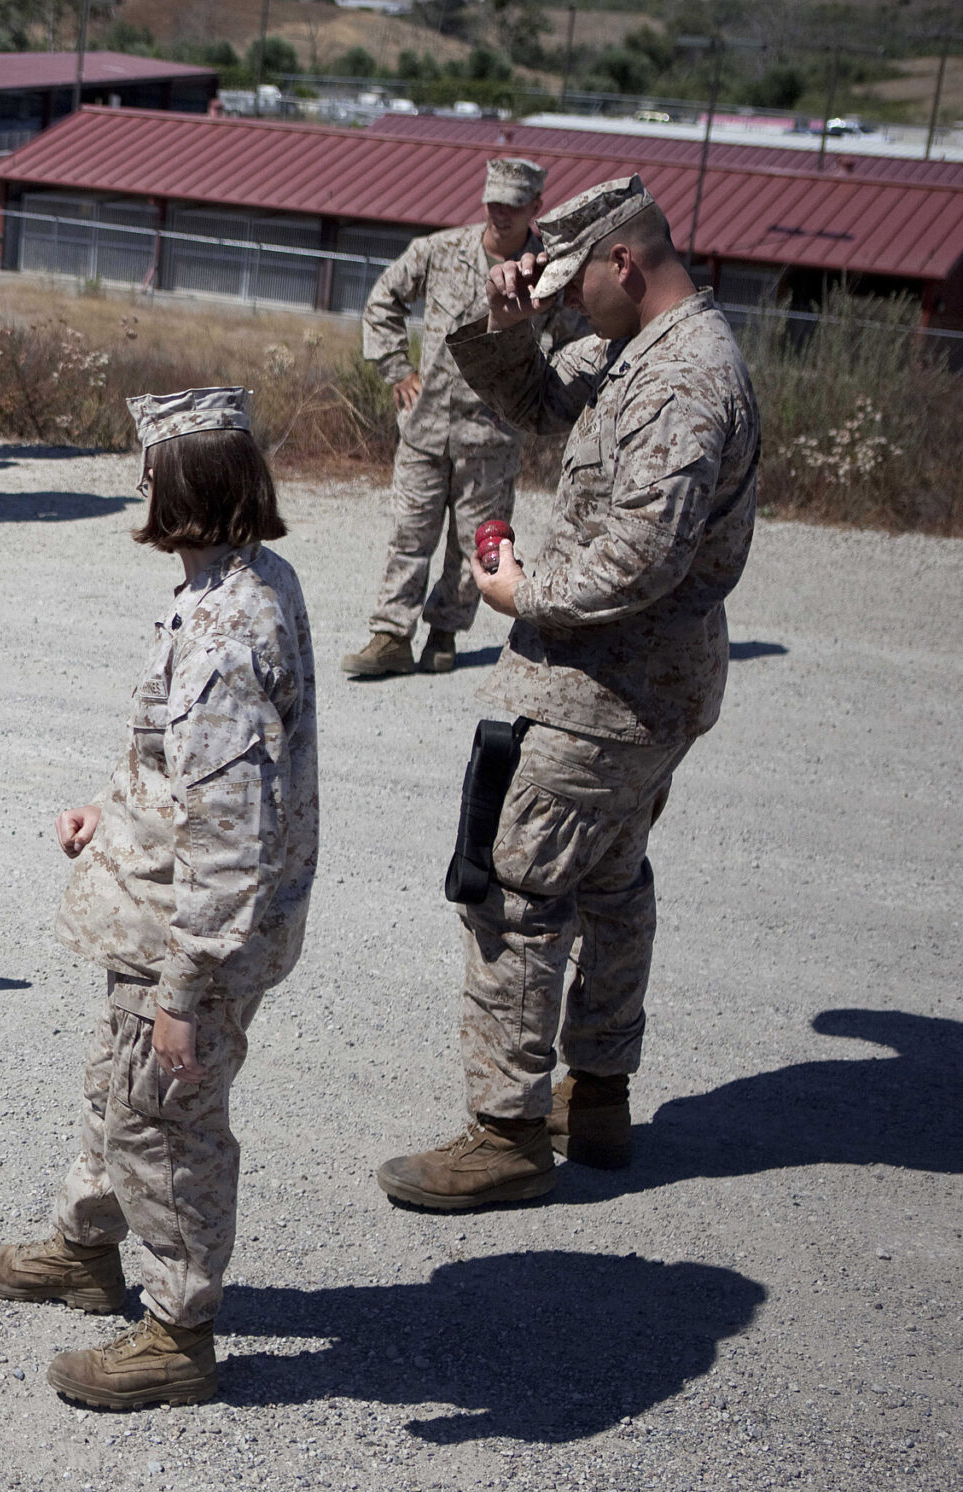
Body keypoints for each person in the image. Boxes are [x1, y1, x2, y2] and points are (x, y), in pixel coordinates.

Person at [375, 177, 759, 1209]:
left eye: (578, 283)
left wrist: (515, 592)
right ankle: (594, 1100)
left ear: (624, 265)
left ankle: (502, 1133)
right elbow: (540, 404)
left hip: (609, 685)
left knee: (516, 886)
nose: (574, 306)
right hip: (634, 687)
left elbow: (644, 554)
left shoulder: (685, 377)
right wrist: (512, 323)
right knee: (607, 882)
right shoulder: (642, 348)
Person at [0, 388, 320, 1409]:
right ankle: (85, 1250)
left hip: (192, 932)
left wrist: (187, 988)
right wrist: (109, 810)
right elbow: (188, 774)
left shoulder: (220, 634)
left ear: (172, 486)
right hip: (162, 905)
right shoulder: (243, 578)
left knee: (163, 1120)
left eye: (145, 470)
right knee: (116, 1084)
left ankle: (177, 1329)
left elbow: (232, 833)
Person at [343, 158, 583, 680]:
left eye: (513, 206)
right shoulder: (440, 251)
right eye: (493, 202)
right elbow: (384, 297)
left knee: (475, 541)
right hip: (425, 426)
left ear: (535, 208)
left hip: (492, 435)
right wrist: (395, 368)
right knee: (410, 531)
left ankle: (445, 633)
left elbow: (572, 344)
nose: (500, 213)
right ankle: (390, 636)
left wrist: (541, 400)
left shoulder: (547, 273)